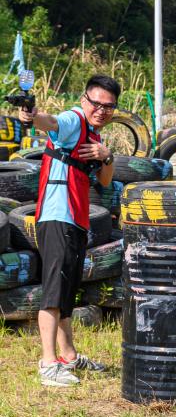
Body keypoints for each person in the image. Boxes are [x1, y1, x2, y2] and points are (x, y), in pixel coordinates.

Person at [20, 75, 119, 387]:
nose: (101, 110)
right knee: (53, 290)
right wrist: (33, 115)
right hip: (56, 214)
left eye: (109, 106)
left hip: (75, 219)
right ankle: (48, 364)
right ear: (84, 99)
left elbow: (105, 181)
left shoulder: (94, 136)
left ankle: (69, 356)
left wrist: (107, 156)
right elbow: (50, 123)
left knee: (67, 289)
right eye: (96, 103)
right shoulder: (74, 120)